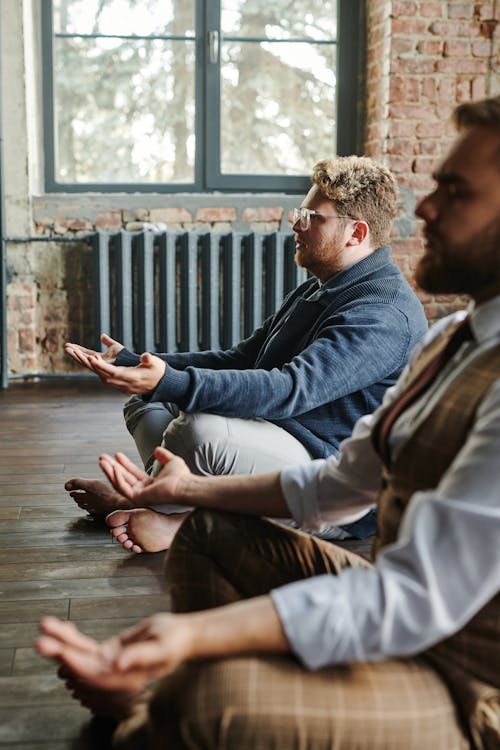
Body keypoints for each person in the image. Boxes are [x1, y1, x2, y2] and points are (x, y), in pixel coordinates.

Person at [37, 95, 500, 749]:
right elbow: (338, 484)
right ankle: (169, 695)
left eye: (455, 191)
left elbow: (419, 601)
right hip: (401, 608)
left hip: (472, 689)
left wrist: (191, 637)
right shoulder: (453, 337)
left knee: (208, 702)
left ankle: (165, 699)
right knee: (207, 532)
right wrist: (181, 489)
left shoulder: (400, 319)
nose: (424, 207)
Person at [64, 156, 427, 549]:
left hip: (331, 480)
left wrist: (170, 381)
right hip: (279, 434)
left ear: (356, 233)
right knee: (147, 399)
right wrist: (139, 366)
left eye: (312, 216)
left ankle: (149, 503)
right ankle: (166, 506)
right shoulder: (321, 286)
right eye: (300, 212)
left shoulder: (383, 314)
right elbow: (242, 358)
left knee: (198, 432)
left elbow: (290, 388)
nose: (296, 223)